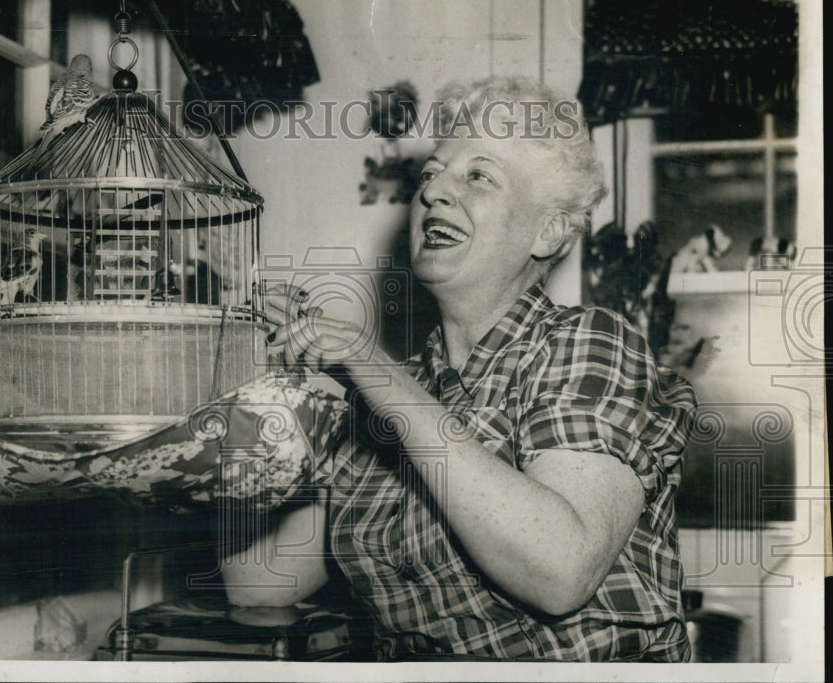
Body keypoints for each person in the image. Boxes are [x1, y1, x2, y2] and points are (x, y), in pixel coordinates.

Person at [221, 76, 695, 662]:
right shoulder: (395, 394)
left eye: (477, 176)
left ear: (547, 231)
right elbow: (258, 582)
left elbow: (561, 572)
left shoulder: (588, 344)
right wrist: (237, 373)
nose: (434, 193)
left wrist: (370, 364)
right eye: (431, 174)